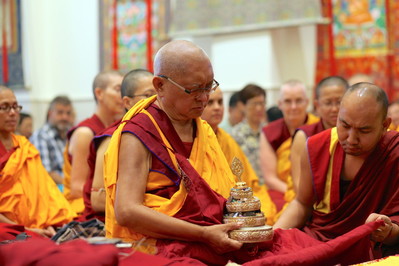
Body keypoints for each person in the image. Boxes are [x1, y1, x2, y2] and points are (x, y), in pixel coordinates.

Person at [103, 40, 247, 264]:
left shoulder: (203, 129)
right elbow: (127, 211)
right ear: (159, 85)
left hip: (213, 237)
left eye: (209, 86)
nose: (204, 98)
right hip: (158, 246)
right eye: (194, 89)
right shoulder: (139, 132)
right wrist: (202, 234)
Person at [274, 82, 399, 258]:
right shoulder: (318, 146)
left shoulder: (395, 152)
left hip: (370, 249)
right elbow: (302, 204)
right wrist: (272, 235)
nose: (351, 139)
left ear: (385, 125)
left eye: (364, 130)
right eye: (345, 125)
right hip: (320, 242)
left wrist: (389, 232)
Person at [0, 86, 76, 237]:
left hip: (40, 226)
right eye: (5, 107)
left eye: (16, 106)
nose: (13, 113)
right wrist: (25, 230)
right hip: (9, 229)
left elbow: (44, 192)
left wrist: (48, 222)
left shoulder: (24, 146)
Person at [81, 69, 155, 221]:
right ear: (127, 102)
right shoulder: (112, 138)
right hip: (110, 222)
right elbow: (97, 200)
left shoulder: (160, 134)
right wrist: (155, 207)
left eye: (158, 95)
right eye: (148, 95)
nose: (155, 101)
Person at [201, 87, 277, 224]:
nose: (217, 108)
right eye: (210, 103)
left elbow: (248, 181)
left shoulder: (227, 140)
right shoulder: (196, 139)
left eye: (220, 102)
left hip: (239, 200)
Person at [63, 70, 124, 214]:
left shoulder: (116, 129)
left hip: (105, 200)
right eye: (118, 89)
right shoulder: (85, 133)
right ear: (99, 93)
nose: (123, 96)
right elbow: (77, 188)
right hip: (83, 206)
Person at [260, 80, 319, 211]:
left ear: (307, 102)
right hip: (281, 190)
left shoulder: (319, 127)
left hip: (315, 192)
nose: (293, 107)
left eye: (298, 101)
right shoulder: (270, 132)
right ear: (279, 104)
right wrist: (295, 194)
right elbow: (270, 179)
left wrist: (305, 195)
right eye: (287, 101)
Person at [289, 76, 349, 201]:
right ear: (317, 105)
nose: (334, 109)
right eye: (328, 103)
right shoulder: (304, 136)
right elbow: (299, 187)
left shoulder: (357, 134)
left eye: (339, 102)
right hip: (315, 204)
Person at [30, 96, 74, 191]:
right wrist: (72, 187)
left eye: (68, 113)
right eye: (60, 113)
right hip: (53, 189)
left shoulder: (69, 134)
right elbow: (46, 172)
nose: (65, 117)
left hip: (71, 184)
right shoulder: (41, 136)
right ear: (50, 113)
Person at [231, 84, 267, 182]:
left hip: (270, 186)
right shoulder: (235, 135)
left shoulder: (269, 131)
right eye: (254, 104)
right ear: (242, 106)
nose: (259, 108)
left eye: (262, 103)